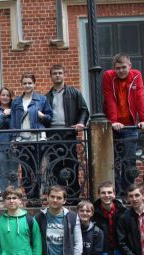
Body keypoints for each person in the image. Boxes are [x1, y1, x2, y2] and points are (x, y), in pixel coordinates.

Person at [102, 53, 144, 196]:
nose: (121, 71)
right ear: (114, 68)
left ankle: (128, 194)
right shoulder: (108, 76)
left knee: (129, 162)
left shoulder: (136, 75)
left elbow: (140, 97)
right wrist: (113, 121)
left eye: (124, 67)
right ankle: (116, 194)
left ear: (130, 66)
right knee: (113, 163)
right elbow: (109, 99)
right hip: (114, 126)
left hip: (130, 126)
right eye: (118, 68)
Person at [45, 64, 90, 203]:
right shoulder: (47, 96)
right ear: (51, 76)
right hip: (52, 134)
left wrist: (81, 123)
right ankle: (58, 197)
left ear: (64, 74)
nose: (57, 75)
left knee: (71, 164)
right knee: (55, 166)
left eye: (60, 73)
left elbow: (84, 110)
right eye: (54, 73)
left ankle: (73, 196)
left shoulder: (74, 93)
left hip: (69, 133)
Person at [10, 72, 52, 201]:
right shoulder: (16, 101)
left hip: (37, 138)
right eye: (25, 83)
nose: (27, 85)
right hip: (22, 139)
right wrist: (14, 137)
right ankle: (29, 197)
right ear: (21, 84)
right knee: (25, 169)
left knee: (37, 168)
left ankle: (37, 197)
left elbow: (49, 118)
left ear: (34, 84)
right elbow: (13, 121)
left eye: (29, 83)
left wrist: (42, 116)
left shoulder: (42, 99)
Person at [0, 86, 16, 192]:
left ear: (11, 97)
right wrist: (4, 115)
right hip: (0, 145)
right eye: (3, 95)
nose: (5, 97)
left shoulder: (15, 110)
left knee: (13, 172)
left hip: (14, 144)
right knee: (3, 171)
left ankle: (15, 195)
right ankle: (4, 194)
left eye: (8, 95)